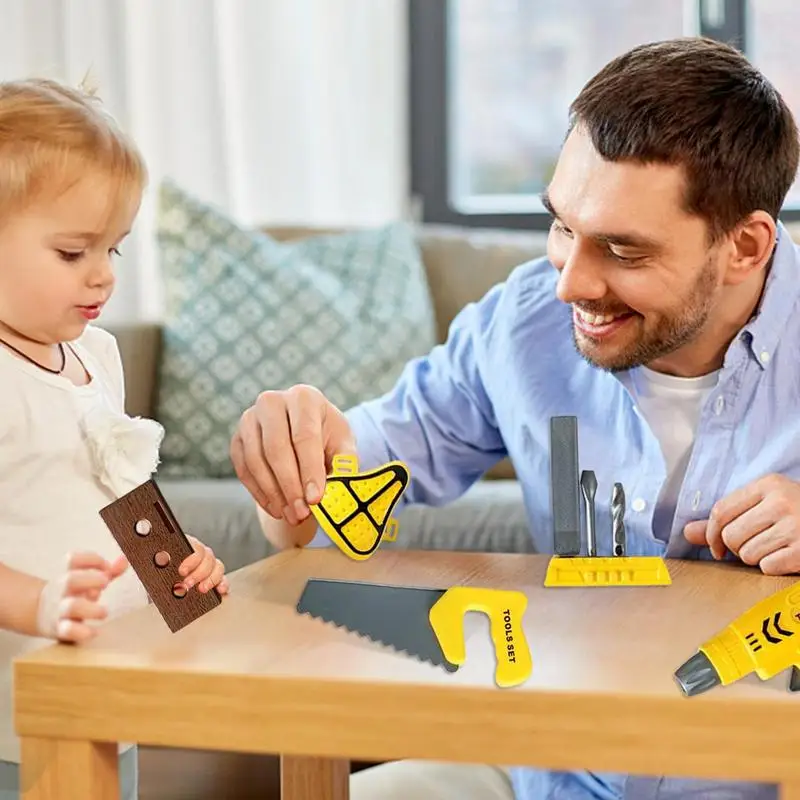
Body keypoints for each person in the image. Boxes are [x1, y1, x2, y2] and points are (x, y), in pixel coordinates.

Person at [231, 36, 800, 800]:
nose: (569, 283)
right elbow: (331, 503)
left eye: (622, 251)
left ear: (746, 246)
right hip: (554, 777)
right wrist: (290, 463)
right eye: (563, 226)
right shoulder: (522, 325)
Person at [0, 78, 230, 800]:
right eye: (73, 253)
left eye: (114, 250)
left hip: (105, 687)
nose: (102, 275)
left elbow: (119, 484)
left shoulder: (97, 355)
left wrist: (177, 566)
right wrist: (39, 605)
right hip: (17, 709)